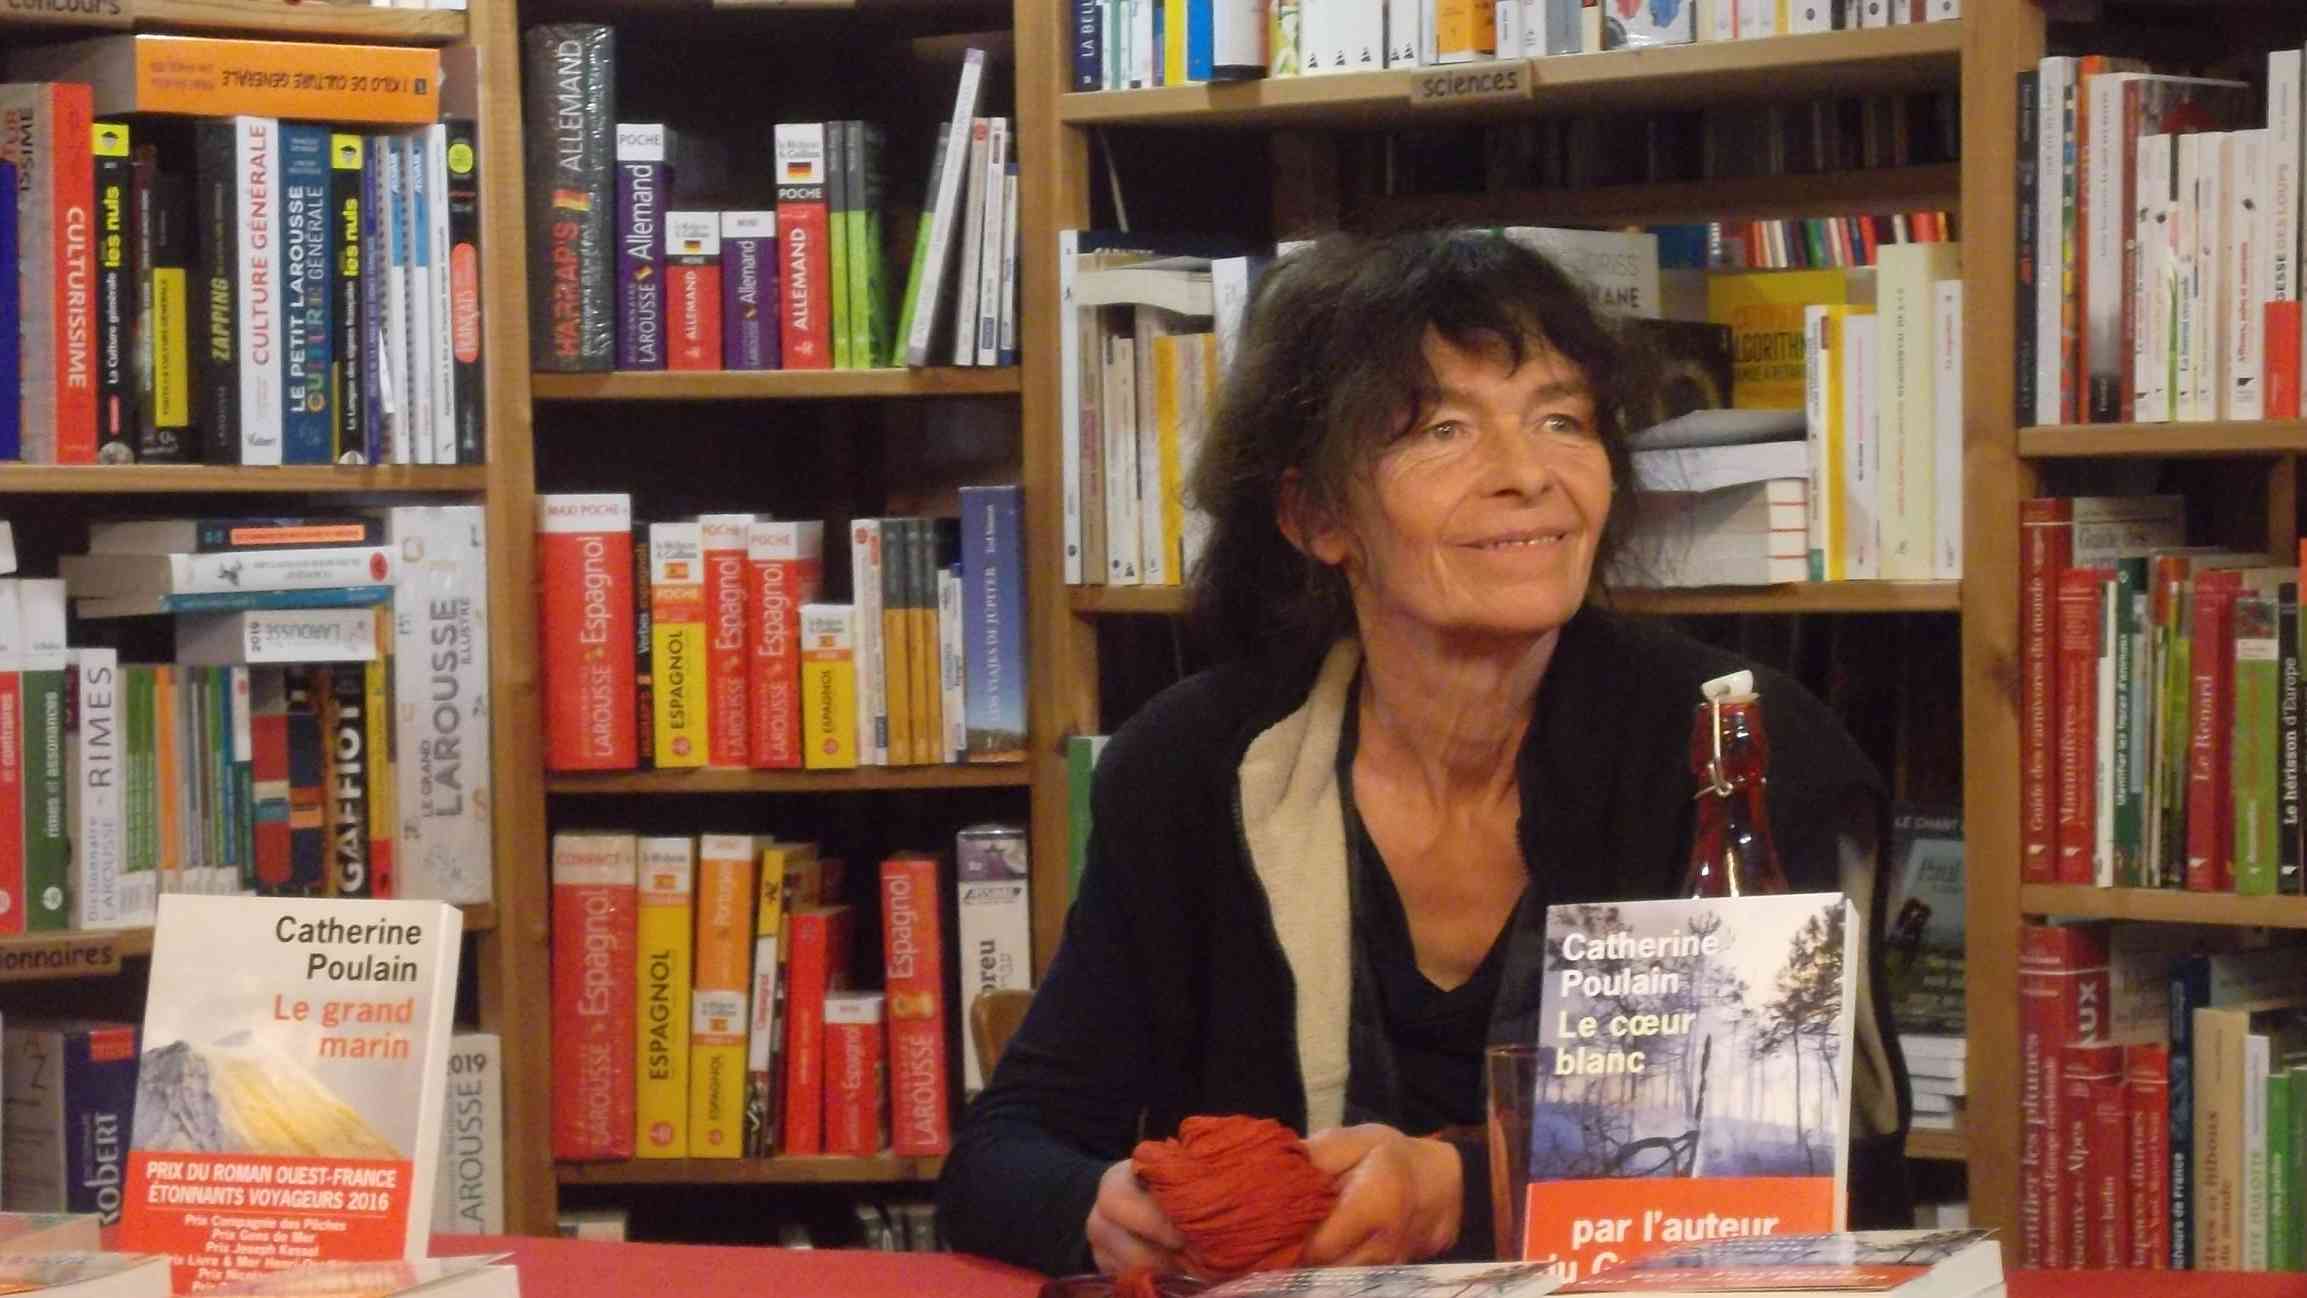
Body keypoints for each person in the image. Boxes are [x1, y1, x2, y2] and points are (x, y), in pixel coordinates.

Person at [936, 229, 1911, 1276]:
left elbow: (1831, 1157)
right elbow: (1005, 1150)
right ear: (1316, 515)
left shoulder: (1738, 742)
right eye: (1444, 429)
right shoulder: (1191, 765)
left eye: (1562, 420)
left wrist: (1462, 1189)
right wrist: (1100, 1208)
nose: (1527, 475)